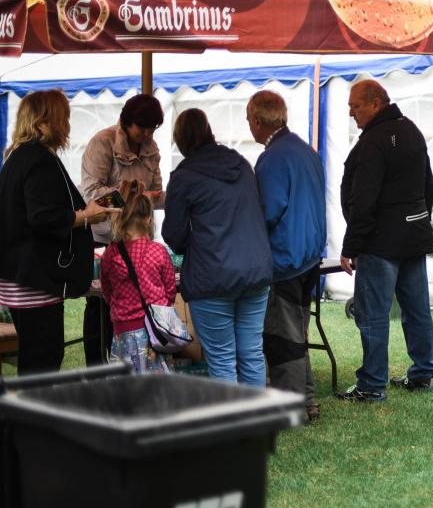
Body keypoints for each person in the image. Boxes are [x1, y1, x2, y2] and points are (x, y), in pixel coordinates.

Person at [0, 90, 113, 375]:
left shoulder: (17, 156)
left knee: (37, 359)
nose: (67, 125)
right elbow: (43, 216)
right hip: (34, 282)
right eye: (64, 117)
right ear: (44, 121)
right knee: (43, 362)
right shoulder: (39, 159)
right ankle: (33, 406)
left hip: (20, 277)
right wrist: (86, 216)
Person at [338, 80, 433, 402]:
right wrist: (418, 220)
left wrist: (351, 246)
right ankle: (423, 374)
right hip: (413, 235)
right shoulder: (412, 130)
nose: (351, 113)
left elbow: (363, 198)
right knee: (417, 309)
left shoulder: (375, 140)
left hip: (380, 241)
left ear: (375, 104)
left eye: (355, 106)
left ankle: (371, 384)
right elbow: (428, 186)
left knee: (373, 314)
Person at [162, 108, 272, 386]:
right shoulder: (242, 165)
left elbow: (174, 236)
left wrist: (198, 242)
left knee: (222, 359)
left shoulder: (183, 177)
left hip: (212, 277)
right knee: (251, 354)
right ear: (209, 132)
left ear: (181, 141)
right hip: (255, 271)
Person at [247, 91, 327, 422]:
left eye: (248, 119)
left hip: (285, 260)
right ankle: (306, 401)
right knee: (298, 333)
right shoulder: (305, 151)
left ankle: (292, 407)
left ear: (257, 121)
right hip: (309, 256)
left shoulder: (273, 158)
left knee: (283, 338)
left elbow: (268, 211)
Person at [80, 93, 165, 366]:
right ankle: (96, 367)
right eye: (142, 128)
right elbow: (91, 195)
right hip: (103, 237)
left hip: (137, 236)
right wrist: (129, 196)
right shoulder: (102, 143)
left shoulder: (151, 148)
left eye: (152, 129)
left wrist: (154, 197)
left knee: (133, 302)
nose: (147, 134)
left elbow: (156, 190)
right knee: (99, 305)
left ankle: (130, 358)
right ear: (126, 122)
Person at [99, 181, 176, 374]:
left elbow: (107, 291)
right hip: (155, 331)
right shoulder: (158, 252)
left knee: (126, 385)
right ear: (149, 218)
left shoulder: (110, 254)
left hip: (122, 331)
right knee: (156, 385)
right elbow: (170, 291)